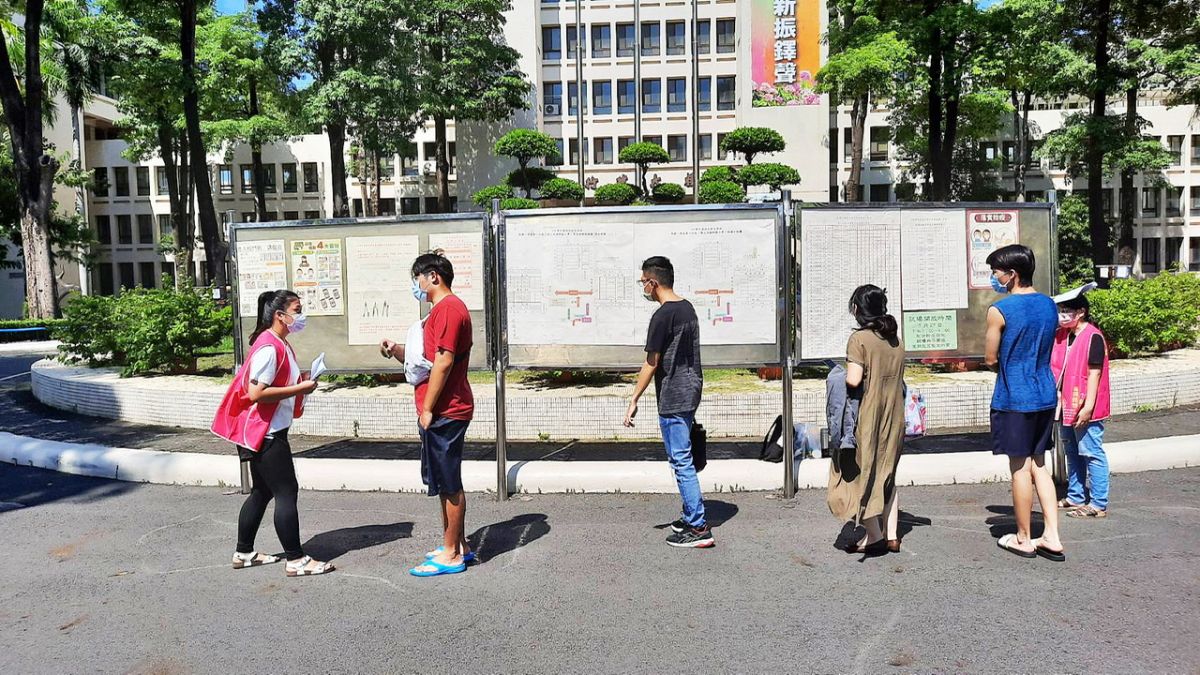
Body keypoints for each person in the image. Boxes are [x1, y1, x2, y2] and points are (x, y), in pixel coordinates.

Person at [210, 290, 333, 577]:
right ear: (280, 315)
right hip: (266, 434)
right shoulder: (269, 347)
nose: (301, 316)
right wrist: (300, 388)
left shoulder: (278, 343)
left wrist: (301, 380)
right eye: (297, 309)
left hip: (264, 431)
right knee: (286, 492)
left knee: (262, 491)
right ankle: (296, 559)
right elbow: (256, 393)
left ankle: (244, 552)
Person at [381, 253, 475, 576]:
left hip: (446, 410)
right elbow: (428, 358)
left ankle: (451, 553)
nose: (416, 285)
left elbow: (444, 361)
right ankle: (457, 543)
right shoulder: (441, 311)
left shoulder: (449, 309)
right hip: (442, 409)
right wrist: (397, 350)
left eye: (417, 278)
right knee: (443, 479)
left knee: (449, 482)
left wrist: (428, 408)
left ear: (433, 276)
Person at [624, 256, 712, 548]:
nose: (643, 288)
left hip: (674, 394)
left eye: (643, 282)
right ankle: (690, 515)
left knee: (680, 460)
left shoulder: (662, 316)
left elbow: (651, 362)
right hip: (691, 388)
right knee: (682, 456)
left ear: (653, 282)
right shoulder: (687, 308)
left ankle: (699, 528)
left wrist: (634, 398)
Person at [984, 244, 1065, 562]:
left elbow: (991, 357)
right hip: (1045, 393)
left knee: (1020, 469)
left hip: (1014, 398)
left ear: (1012, 274)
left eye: (996, 271)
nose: (994, 277)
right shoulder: (1048, 305)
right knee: (1040, 465)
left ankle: (1023, 537)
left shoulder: (999, 310)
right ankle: (1052, 536)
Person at [827, 285, 906, 555]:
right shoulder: (894, 338)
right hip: (894, 412)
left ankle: (874, 536)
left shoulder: (859, 340)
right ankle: (893, 535)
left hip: (870, 414)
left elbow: (853, 379)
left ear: (857, 310)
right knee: (888, 474)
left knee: (864, 472)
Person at [1051, 285, 1111, 519]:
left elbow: (1094, 374)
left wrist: (1087, 407)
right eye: (1061, 309)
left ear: (1082, 312)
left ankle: (1098, 503)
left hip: (1086, 407)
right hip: (1065, 406)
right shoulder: (1062, 336)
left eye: (1067, 310)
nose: (1062, 314)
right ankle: (1075, 496)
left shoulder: (1092, 336)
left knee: (1092, 451)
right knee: (1072, 451)